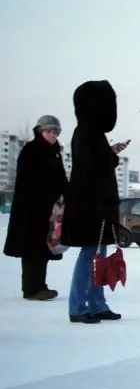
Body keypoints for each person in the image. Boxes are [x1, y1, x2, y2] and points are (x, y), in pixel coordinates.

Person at [61, 80, 125, 324]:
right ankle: (78, 306)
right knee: (90, 255)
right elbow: (94, 168)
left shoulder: (91, 134)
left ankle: (97, 303)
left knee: (99, 256)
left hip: (99, 204)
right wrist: (110, 156)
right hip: (92, 205)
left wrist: (110, 153)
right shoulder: (87, 133)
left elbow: (97, 163)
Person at [3, 116, 68, 301]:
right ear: (41, 132)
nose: (53, 135)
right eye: (49, 131)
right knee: (32, 249)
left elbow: (59, 178)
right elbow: (29, 180)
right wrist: (48, 195)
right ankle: (31, 289)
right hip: (31, 210)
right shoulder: (32, 150)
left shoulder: (54, 152)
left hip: (47, 209)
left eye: (55, 132)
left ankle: (40, 285)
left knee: (44, 248)